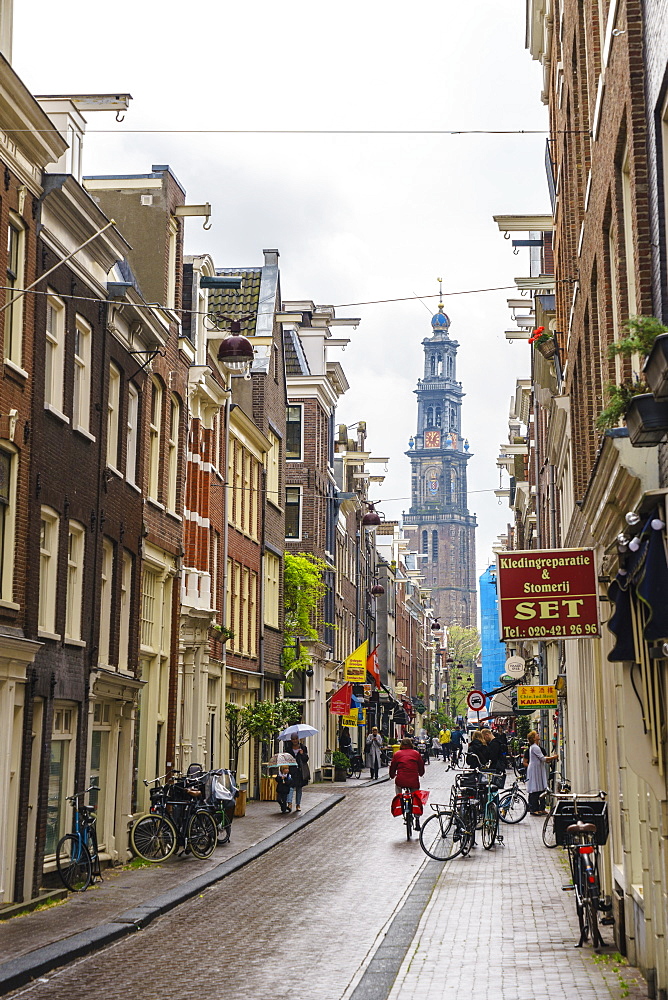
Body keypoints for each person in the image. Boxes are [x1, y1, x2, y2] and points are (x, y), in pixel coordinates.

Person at [526, 730, 558, 814]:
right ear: (533, 738)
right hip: (535, 769)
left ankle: (540, 808)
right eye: (536, 734)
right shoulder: (535, 747)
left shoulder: (534, 747)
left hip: (537, 768)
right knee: (535, 788)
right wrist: (554, 757)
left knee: (539, 787)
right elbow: (543, 758)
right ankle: (534, 809)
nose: (538, 735)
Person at [282, 735, 309, 812]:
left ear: (298, 739)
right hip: (291, 770)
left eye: (296, 739)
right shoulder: (288, 749)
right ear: (291, 740)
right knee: (290, 787)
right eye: (293, 739)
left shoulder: (303, 747)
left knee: (299, 788)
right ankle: (289, 803)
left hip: (300, 771)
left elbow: (306, 759)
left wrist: (302, 754)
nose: (295, 740)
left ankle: (298, 804)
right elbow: (286, 760)